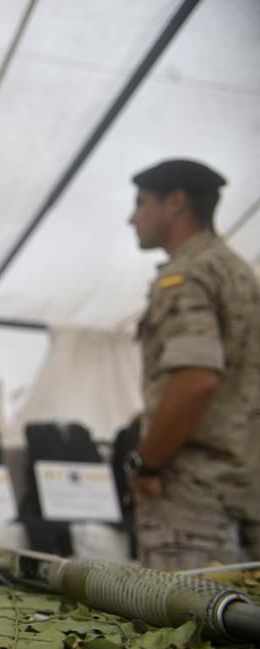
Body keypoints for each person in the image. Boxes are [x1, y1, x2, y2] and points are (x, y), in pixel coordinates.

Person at [125, 158, 260, 571]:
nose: (132, 217)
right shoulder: (238, 273)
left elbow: (196, 380)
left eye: (142, 202)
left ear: (176, 203)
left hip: (192, 502)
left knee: (184, 632)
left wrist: (146, 463)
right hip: (243, 489)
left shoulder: (185, 275)